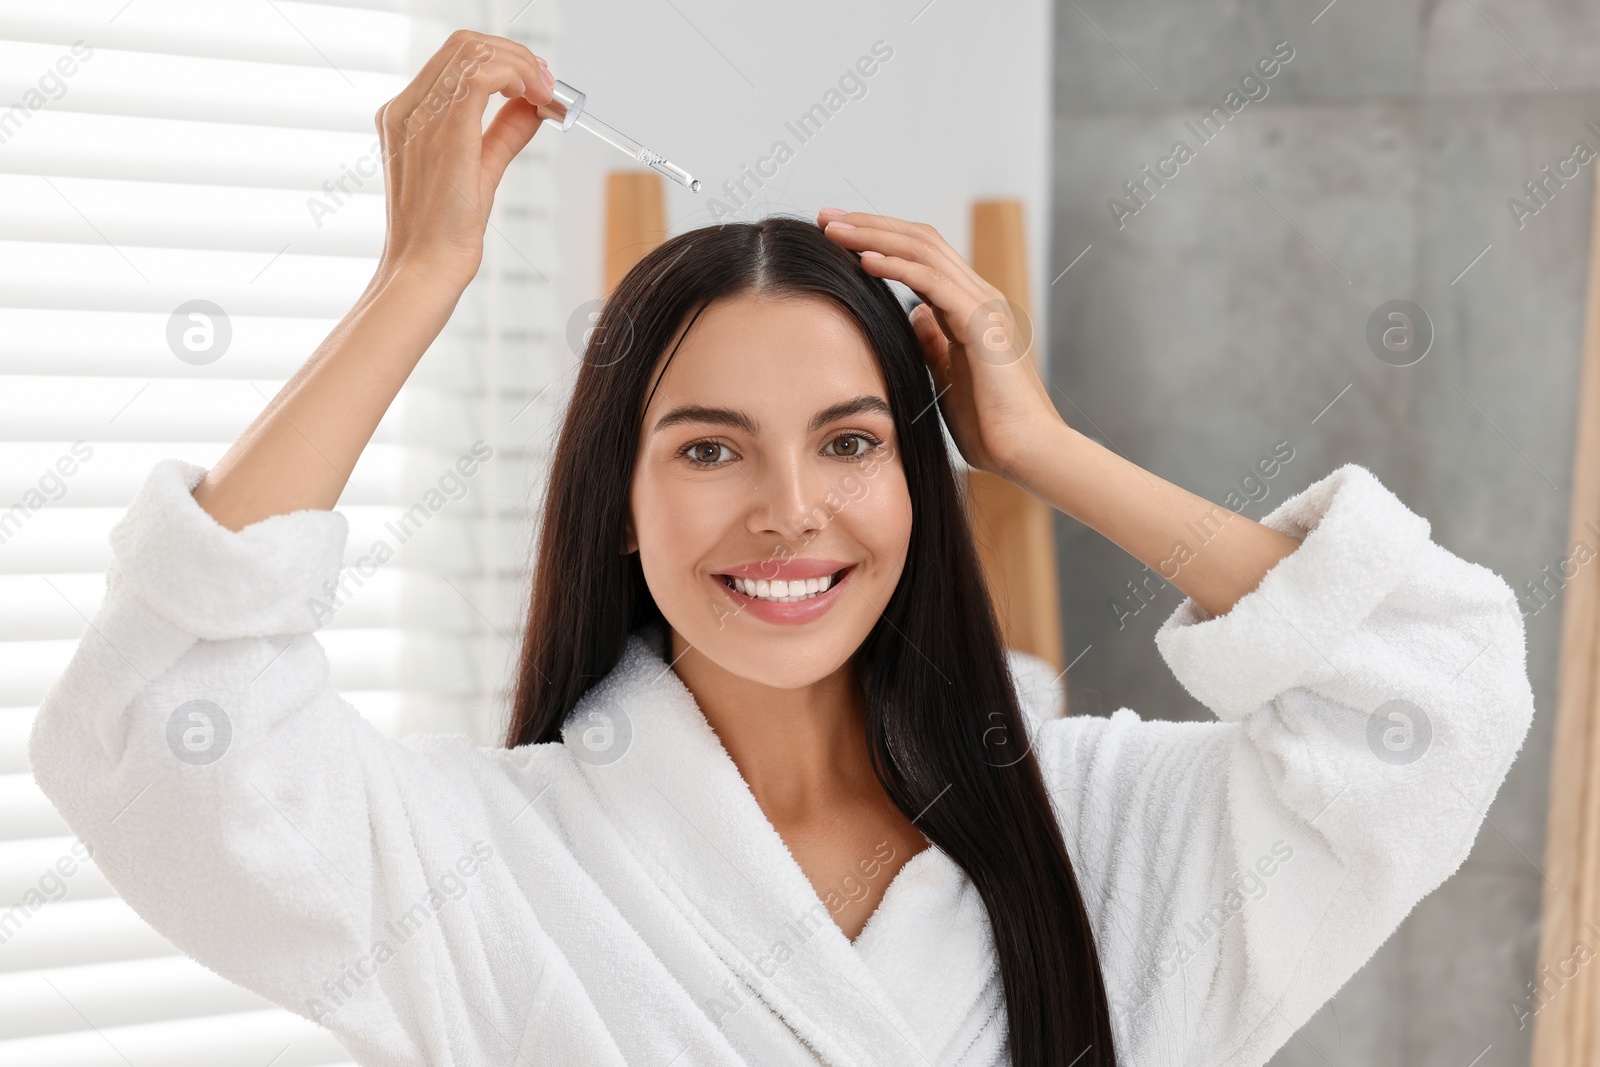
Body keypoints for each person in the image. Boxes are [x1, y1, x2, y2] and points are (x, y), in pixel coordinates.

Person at [28, 29, 1535, 1067]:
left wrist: (1041, 445)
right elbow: (168, 739)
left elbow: (1427, 691)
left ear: (914, 480)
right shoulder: (483, 859)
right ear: (616, 499)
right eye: (705, 447)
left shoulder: (1095, 825)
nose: (789, 511)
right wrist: (421, 275)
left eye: (851, 441)